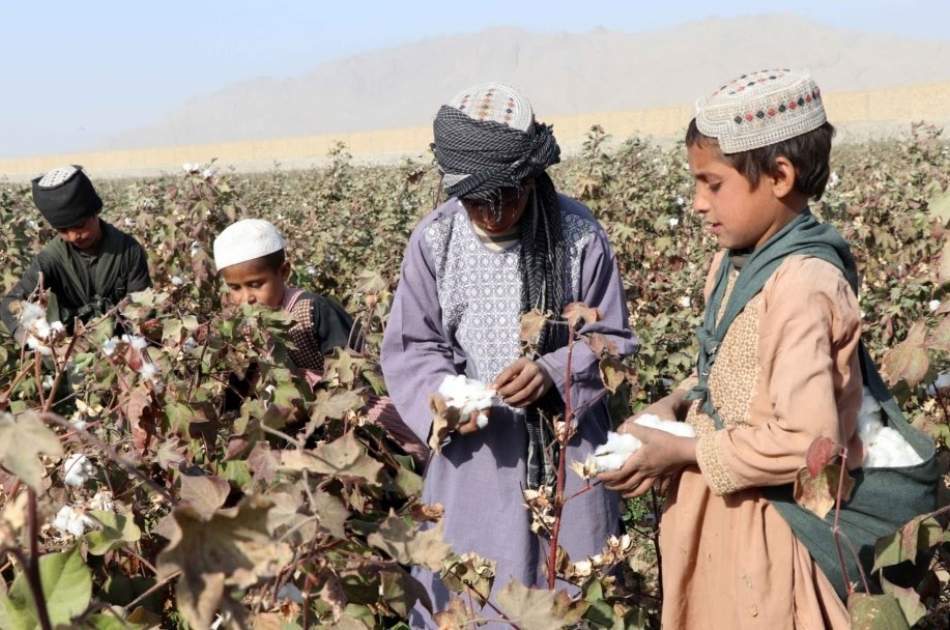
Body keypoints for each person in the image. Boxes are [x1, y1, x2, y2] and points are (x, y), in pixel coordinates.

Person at [599, 69, 937, 629]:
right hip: (722, 527)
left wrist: (680, 452)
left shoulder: (802, 284)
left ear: (780, 176)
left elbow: (808, 443)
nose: (698, 204)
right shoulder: (735, 264)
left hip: (771, 539)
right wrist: (676, 405)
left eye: (713, 184)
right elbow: (729, 368)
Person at [381, 83, 636, 626]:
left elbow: (612, 339)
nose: (494, 213)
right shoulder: (435, 241)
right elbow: (413, 345)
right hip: (475, 459)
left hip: (570, 459)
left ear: (532, 176)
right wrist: (446, 394)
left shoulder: (579, 235)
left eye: (509, 196)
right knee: (473, 599)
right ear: (454, 188)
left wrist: (553, 372)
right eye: (478, 201)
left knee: (572, 597)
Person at [213, 219, 427, 464]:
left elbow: (349, 367)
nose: (246, 298)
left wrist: (311, 405)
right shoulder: (243, 326)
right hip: (287, 418)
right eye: (235, 288)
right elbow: (239, 383)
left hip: (345, 407)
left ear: (283, 272)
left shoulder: (311, 309)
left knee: (388, 455)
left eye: (255, 284)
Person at [1, 166, 151, 336]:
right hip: (69, 352)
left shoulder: (128, 250)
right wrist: (36, 337)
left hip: (123, 347)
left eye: (79, 226)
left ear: (96, 212)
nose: (73, 237)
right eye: (63, 230)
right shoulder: (50, 259)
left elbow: (142, 309)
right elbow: (10, 304)